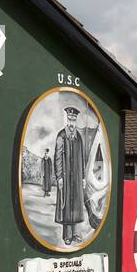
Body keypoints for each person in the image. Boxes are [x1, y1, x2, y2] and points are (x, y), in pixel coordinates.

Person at [52, 105, 88, 245]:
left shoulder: (79, 136)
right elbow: (58, 158)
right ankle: (67, 235)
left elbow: (81, 158)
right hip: (66, 178)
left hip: (77, 177)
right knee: (66, 205)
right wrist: (59, 176)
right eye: (70, 119)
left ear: (76, 120)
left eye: (74, 119)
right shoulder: (61, 135)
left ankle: (76, 234)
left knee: (76, 205)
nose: (72, 122)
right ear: (67, 119)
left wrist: (83, 176)